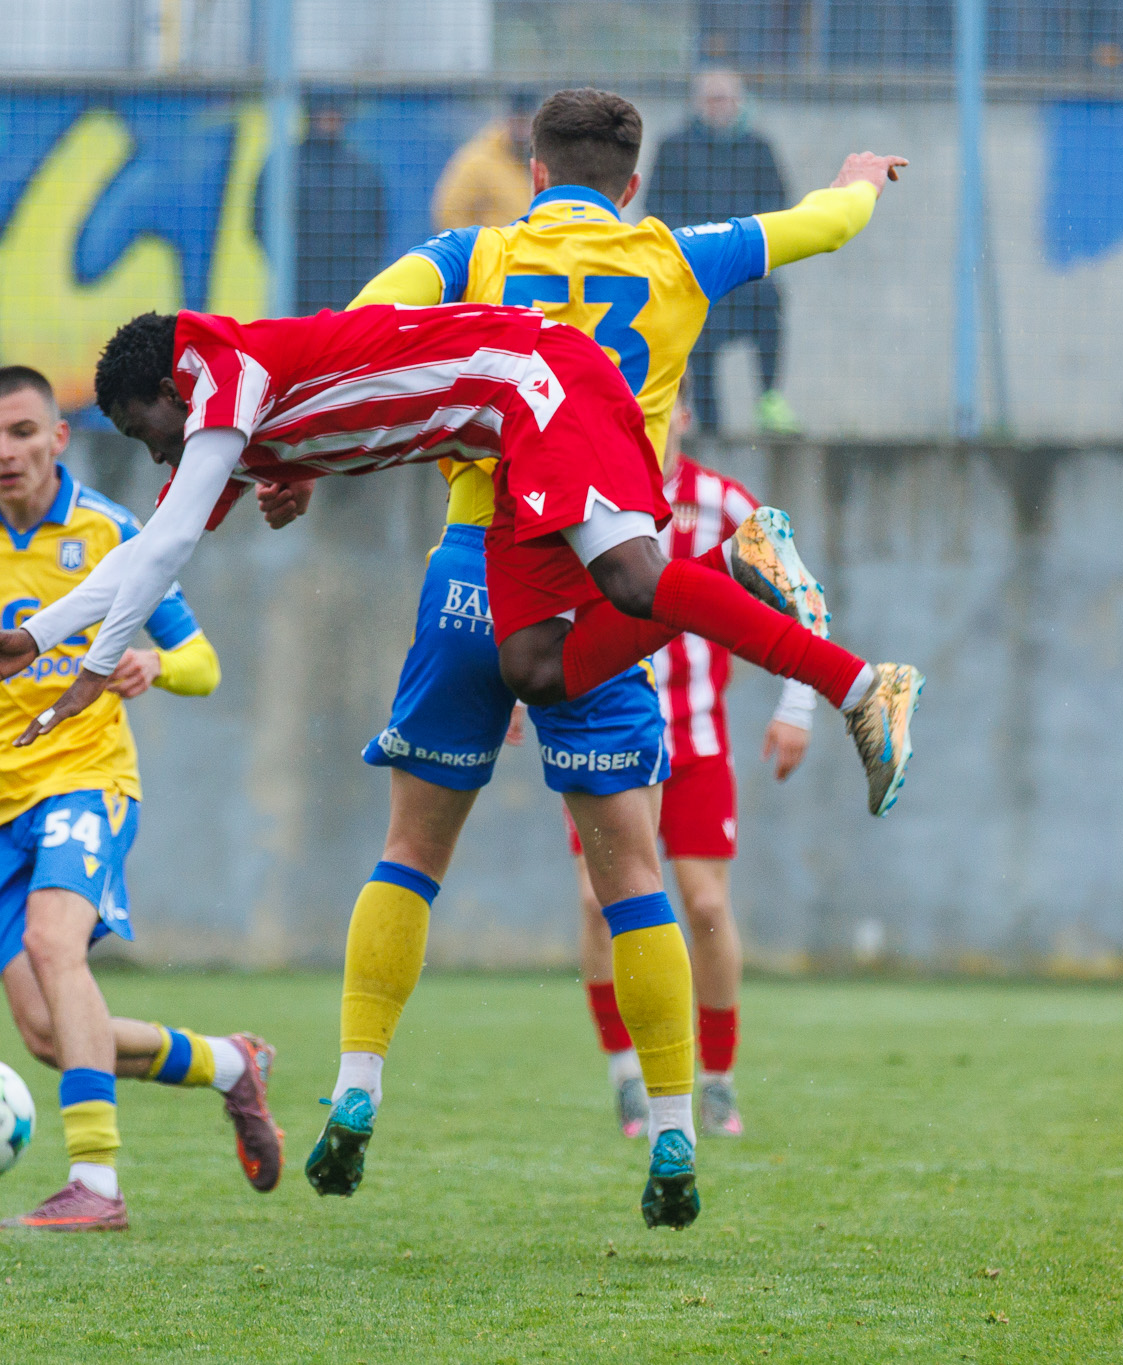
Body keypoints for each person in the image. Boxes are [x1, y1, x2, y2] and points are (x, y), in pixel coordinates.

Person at [0, 264, 923, 1222]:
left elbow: (166, 543)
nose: (157, 452)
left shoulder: (226, 377)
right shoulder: (232, 413)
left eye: (147, 430)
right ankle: (731, 567)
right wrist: (37, 635)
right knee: (536, 666)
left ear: (172, 390)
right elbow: (153, 543)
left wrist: (92, 670)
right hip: (505, 452)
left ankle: (854, 683)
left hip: (538, 387)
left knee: (630, 583)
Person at [273, 85, 880, 1226]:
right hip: (601, 583)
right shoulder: (676, 255)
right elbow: (824, 226)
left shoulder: (472, 255)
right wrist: (856, 179)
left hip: (473, 570)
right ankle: (673, 1129)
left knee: (410, 851)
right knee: (631, 876)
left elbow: (351, 334)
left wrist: (298, 456)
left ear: (535, 172)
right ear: (632, 184)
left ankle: (356, 1084)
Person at [0, 366, 282, 1234]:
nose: (5, 451)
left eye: (22, 432)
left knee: (51, 941)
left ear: (58, 437)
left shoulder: (112, 529)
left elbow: (204, 664)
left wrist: (152, 663)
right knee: (46, 1031)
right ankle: (230, 1063)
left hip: (88, 778)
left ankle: (95, 1183)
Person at [570, 389, 818, 1141]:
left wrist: (797, 706)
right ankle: (626, 1075)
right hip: (606, 733)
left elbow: (799, 590)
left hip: (696, 741)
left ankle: (717, 1081)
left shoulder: (721, 502)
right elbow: (535, 594)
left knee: (706, 907)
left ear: (681, 415)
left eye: (664, 402)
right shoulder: (588, 495)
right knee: (596, 903)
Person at [646, 69, 801, 436]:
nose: (719, 106)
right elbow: (658, 205)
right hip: (700, 269)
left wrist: (748, 243)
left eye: (726, 98)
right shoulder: (674, 148)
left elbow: (778, 202)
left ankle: (769, 400)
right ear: (697, 103)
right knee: (700, 344)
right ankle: (711, 427)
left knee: (770, 310)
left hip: (746, 269)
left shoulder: (758, 148)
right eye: (712, 98)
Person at [256, 95, 389, 312]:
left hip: (349, 284)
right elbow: (259, 222)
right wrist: (291, 262)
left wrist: (361, 269)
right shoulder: (285, 165)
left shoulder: (362, 169)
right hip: (299, 285)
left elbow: (378, 227)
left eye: (335, 114)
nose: (330, 120)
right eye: (324, 113)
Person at [430, 88, 539, 232]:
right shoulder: (478, 161)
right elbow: (450, 213)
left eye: (527, 123)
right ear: (507, 121)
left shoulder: (538, 159)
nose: (522, 131)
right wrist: (478, 244)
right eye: (518, 121)